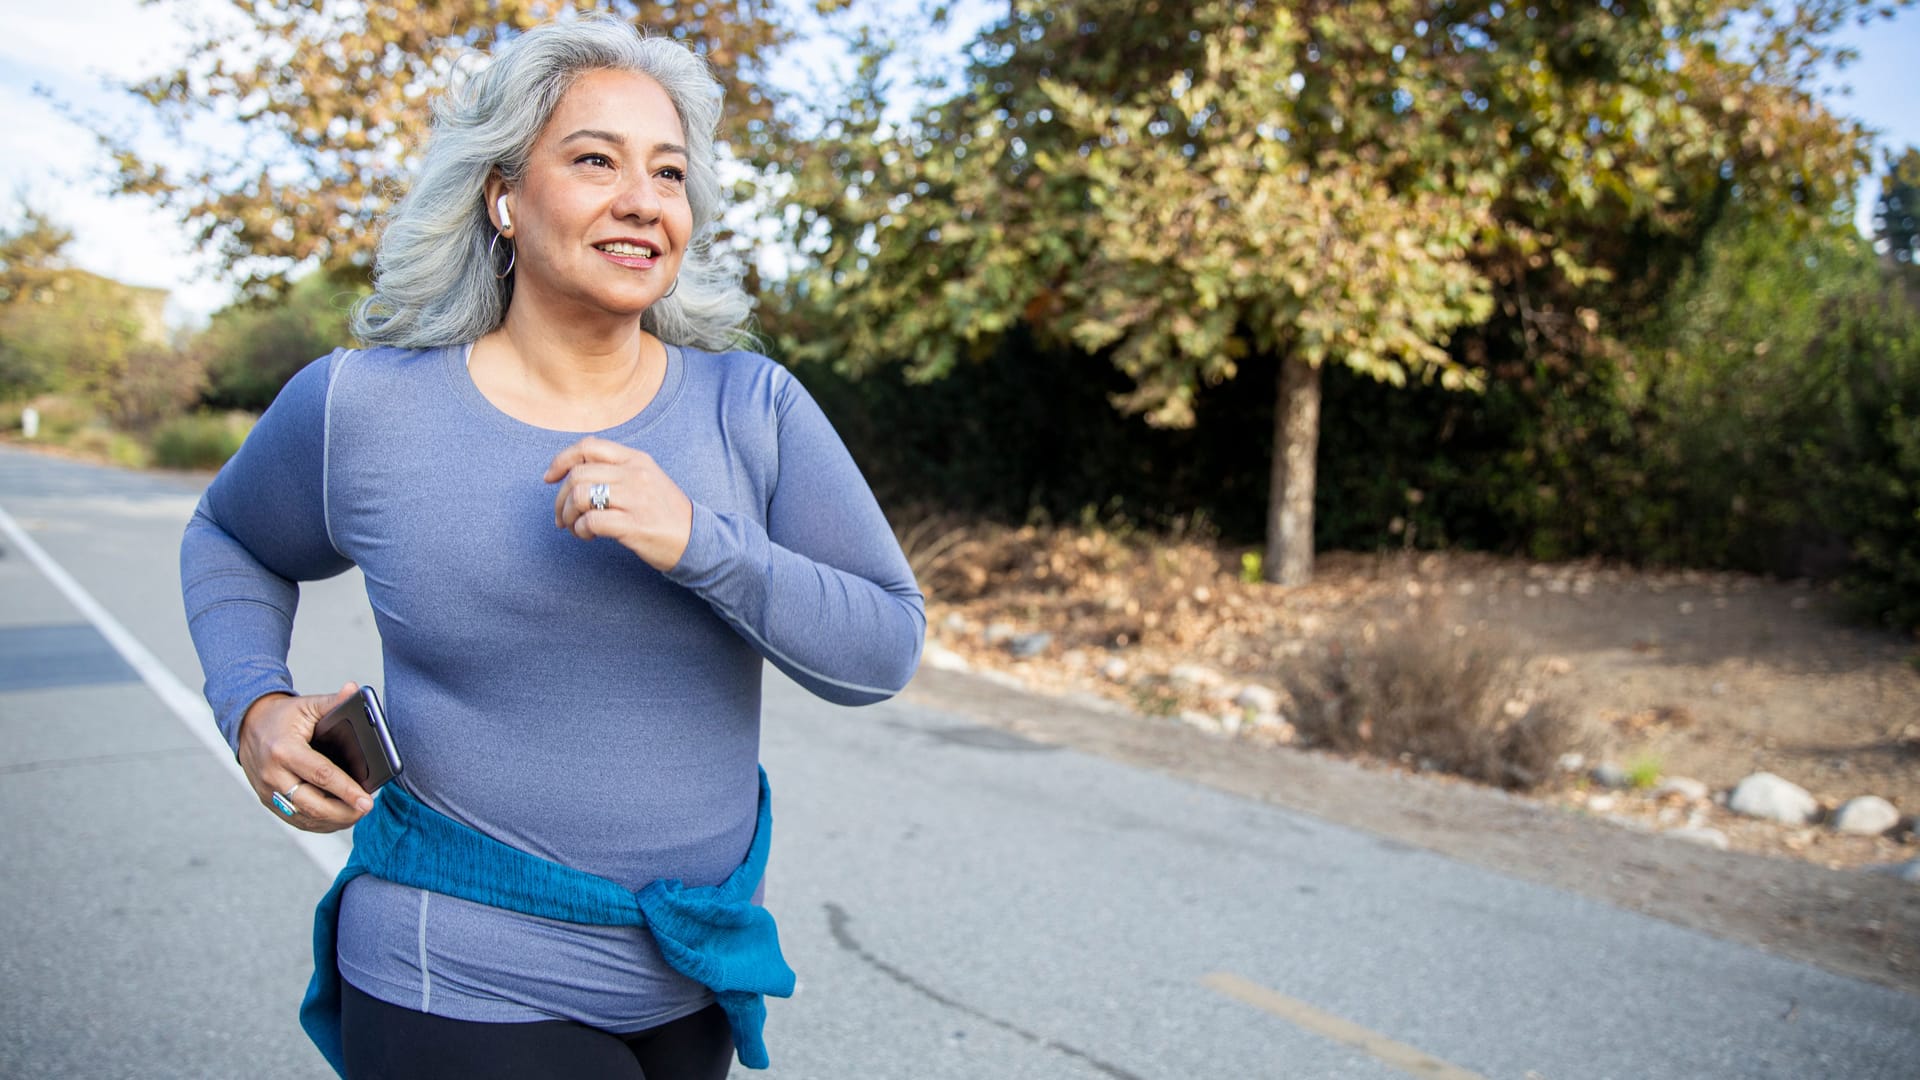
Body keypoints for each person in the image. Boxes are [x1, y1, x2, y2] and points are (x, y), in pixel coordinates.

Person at [179, 16, 925, 1080]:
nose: (643, 199)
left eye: (669, 173)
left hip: (690, 976)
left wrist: (701, 544)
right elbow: (232, 536)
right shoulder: (367, 407)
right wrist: (252, 701)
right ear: (503, 200)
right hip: (460, 972)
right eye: (593, 160)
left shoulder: (753, 407)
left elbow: (885, 649)